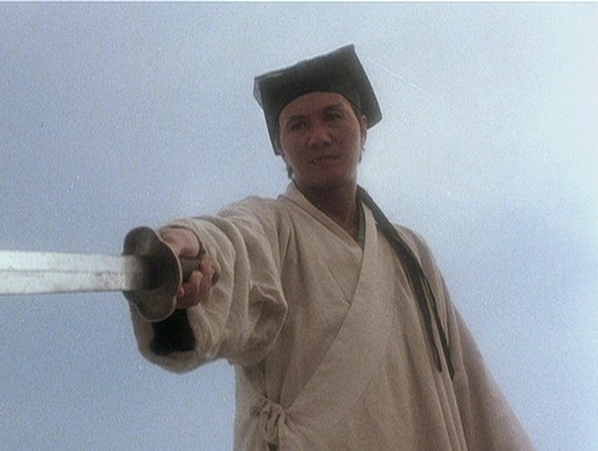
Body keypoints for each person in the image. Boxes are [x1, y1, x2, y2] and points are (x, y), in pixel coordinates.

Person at [128, 44, 533, 450]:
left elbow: (472, 390)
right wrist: (188, 248)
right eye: (298, 125)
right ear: (279, 145)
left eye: (332, 116)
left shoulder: (411, 253)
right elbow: (234, 244)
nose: (318, 137)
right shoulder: (273, 227)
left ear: (362, 128)